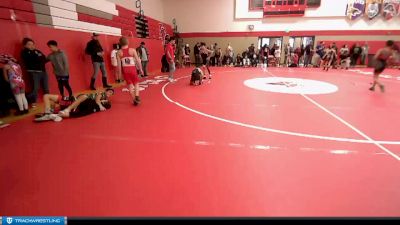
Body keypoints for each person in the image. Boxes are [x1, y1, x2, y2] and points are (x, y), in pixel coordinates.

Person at [20, 37, 49, 107]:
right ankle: (33, 101)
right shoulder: (24, 52)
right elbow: (30, 60)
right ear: (25, 45)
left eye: (32, 44)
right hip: (34, 72)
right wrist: (37, 57)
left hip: (43, 72)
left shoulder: (37, 51)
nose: (31, 46)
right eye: (29, 44)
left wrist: (37, 58)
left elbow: (44, 59)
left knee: (46, 87)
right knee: (35, 88)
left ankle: (49, 100)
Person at [117, 37, 144, 106]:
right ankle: (137, 96)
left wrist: (119, 75)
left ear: (120, 43)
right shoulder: (132, 50)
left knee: (130, 85)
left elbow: (119, 66)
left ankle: (134, 99)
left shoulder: (119, 52)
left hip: (125, 71)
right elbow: (138, 61)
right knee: (136, 83)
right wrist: (141, 69)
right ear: (127, 42)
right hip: (132, 69)